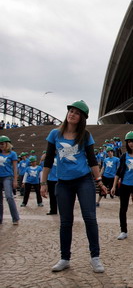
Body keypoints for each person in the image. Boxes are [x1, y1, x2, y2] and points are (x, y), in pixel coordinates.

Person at [40, 100, 107, 273]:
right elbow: (48, 160)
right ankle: (64, 258)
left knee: (90, 218)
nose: (72, 114)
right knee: (66, 222)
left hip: (83, 180)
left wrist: (99, 180)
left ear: (82, 118)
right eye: (71, 111)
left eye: (77, 113)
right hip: (63, 183)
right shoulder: (55, 134)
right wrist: (43, 182)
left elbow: (92, 160)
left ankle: (95, 257)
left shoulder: (85, 135)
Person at [0, 135, 20, 225]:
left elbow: (15, 168)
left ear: (7, 144)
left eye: (2, 144)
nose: (1, 145)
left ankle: (15, 218)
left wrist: (15, 180)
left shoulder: (13, 154)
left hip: (8, 177)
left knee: (9, 196)